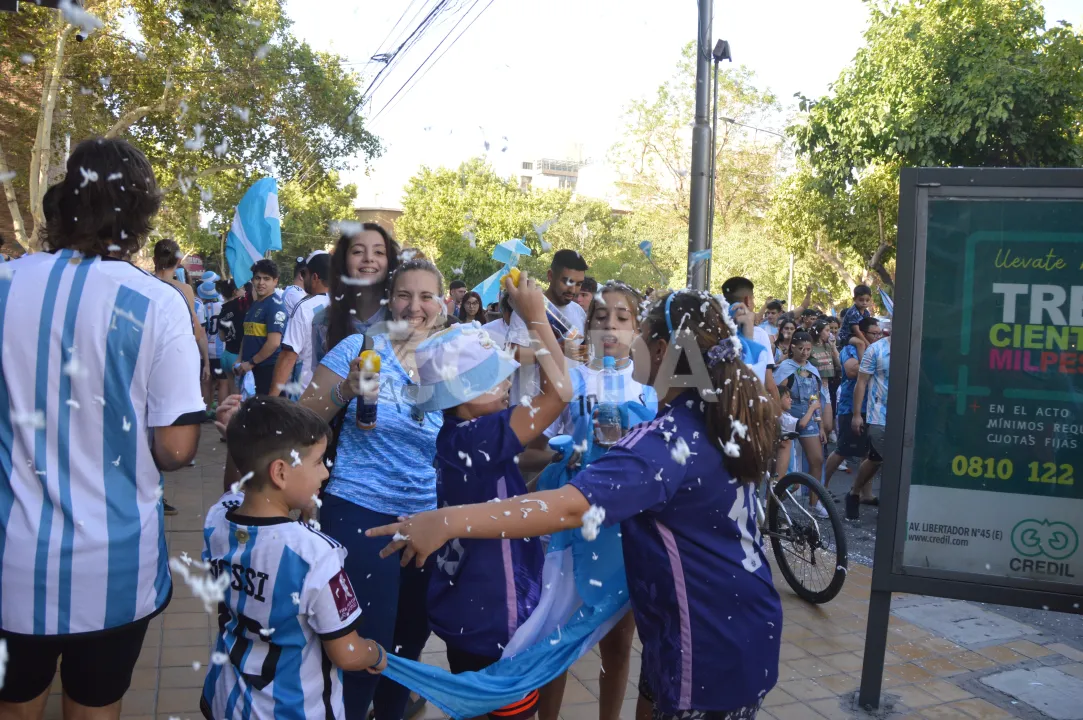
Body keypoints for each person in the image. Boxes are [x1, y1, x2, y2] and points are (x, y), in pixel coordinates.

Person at [369, 290, 782, 720]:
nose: (629, 339)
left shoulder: (664, 443)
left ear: (661, 350)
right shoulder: (709, 418)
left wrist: (446, 521)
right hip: (736, 624)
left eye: (639, 331)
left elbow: (569, 508)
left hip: (706, 644)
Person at [0, 137, 204, 719]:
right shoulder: (157, 302)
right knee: (94, 706)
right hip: (114, 562)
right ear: (140, 215)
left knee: (13, 703)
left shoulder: (5, 285)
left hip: (10, 555)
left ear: (63, 202)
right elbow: (176, 449)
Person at [415, 271, 571, 720]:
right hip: (497, 619)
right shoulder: (479, 435)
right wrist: (536, 316)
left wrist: (551, 467)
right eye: (492, 381)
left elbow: (505, 477)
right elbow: (560, 392)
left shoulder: (457, 437)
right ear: (460, 395)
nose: (505, 386)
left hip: (465, 612)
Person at [298, 257, 447, 720]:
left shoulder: (450, 363)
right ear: (389, 300)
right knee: (364, 650)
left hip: (424, 522)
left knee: (406, 651)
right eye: (405, 295)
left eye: (426, 296)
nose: (415, 307)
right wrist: (345, 390)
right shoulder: (360, 347)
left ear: (442, 304)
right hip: (358, 510)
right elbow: (304, 420)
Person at [202, 397, 387, 720]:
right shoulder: (317, 555)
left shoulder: (217, 519)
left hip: (227, 701)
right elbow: (346, 653)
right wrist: (375, 653)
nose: (326, 472)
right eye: (318, 462)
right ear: (280, 473)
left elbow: (235, 490)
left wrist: (239, 443)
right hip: (292, 710)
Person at [534, 281, 657, 720]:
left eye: (622, 318)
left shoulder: (650, 389)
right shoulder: (573, 380)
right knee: (557, 637)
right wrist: (563, 453)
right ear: (588, 327)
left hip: (626, 530)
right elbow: (538, 444)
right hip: (573, 522)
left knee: (618, 643)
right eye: (601, 317)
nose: (611, 327)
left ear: (637, 329)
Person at [312, 223, 400, 366]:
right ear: (343, 261)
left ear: (389, 262)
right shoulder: (323, 322)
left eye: (379, 252)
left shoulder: (403, 317)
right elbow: (319, 378)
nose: (369, 258)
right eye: (358, 251)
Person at [506, 249, 588, 402]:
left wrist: (586, 353)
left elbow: (581, 355)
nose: (573, 290)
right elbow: (513, 354)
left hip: (567, 405)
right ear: (550, 275)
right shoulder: (527, 307)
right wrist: (556, 350)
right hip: (530, 404)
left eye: (579, 284)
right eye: (567, 282)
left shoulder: (578, 311)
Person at [773, 331, 833, 517]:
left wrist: (821, 426)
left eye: (808, 349)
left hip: (810, 419)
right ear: (793, 347)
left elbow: (817, 398)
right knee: (783, 468)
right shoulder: (785, 368)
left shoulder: (813, 369)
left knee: (817, 459)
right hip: (788, 419)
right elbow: (776, 394)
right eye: (801, 349)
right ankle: (773, 504)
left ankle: (814, 503)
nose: (805, 353)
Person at [822, 318, 881, 500]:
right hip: (851, 406)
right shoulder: (850, 349)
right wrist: (862, 347)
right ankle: (820, 488)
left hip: (872, 407)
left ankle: (866, 493)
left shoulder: (878, 349)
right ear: (862, 333)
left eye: (879, 333)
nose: (877, 336)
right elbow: (853, 371)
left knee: (869, 453)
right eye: (873, 333)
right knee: (843, 450)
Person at [153, 238, 211, 390]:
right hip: (176, 355)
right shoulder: (185, 289)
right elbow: (196, 332)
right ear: (178, 261)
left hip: (148, 354)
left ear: (154, 259)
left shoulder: (143, 284)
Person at [271, 251, 331, 397]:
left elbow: (288, 356)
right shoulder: (344, 305)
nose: (303, 279)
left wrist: (271, 398)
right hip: (333, 395)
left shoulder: (305, 307)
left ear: (315, 277)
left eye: (305, 274)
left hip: (304, 392)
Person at [849, 331, 890, 520]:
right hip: (879, 414)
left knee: (895, 460)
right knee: (877, 459)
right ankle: (854, 493)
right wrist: (857, 415)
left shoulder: (913, 348)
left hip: (905, 413)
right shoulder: (876, 349)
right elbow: (861, 382)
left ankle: (892, 508)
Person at [721, 276, 779, 398]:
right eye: (753, 298)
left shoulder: (716, 330)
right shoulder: (759, 333)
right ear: (748, 300)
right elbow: (769, 384)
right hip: (749, 401)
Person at [236, 259, 284, 395]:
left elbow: (274, 343)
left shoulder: (275, 306)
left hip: (267, 370)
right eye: (257, 278)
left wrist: (251, 363)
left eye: (266, 279)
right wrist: (239, 360)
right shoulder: (255, 304)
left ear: (275, 281)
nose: (261, 283)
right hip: (250, 369)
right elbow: (247, 335)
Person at [198, 279, 228, 416]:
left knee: (206, 382)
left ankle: (207, 410)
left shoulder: (200, 308)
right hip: (220, 350)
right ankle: (221, 412)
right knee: (223, 382)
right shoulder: (222, 306)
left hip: (203, 351)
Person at [217, 280, 249, 397]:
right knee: (240, 396)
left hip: (226, 356)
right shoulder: (241, 307)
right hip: (237, 357)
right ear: (235, 292)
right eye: (242, 289)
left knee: (233, 394)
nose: (245, 291)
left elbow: (222, 338)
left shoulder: (222, 311)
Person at [809, 319, 841, 435]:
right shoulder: (809, 347)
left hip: (825, 388)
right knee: (817, 422)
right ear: (818, 332)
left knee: (828, 425)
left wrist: (833, 347)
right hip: (812, 388)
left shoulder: (828, 346)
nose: (830, 333)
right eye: (827, 330)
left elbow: (840, 364)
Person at [838, 284, 874, 355]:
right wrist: (867, 344)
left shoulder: (866, 312)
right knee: (861, 343)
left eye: (867, 300)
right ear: (854, 299)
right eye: (861, 300)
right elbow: (856, 330)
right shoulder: (853, 312)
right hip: (847, 336)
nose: (864, 303)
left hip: (859, 334)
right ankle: (862, 361)